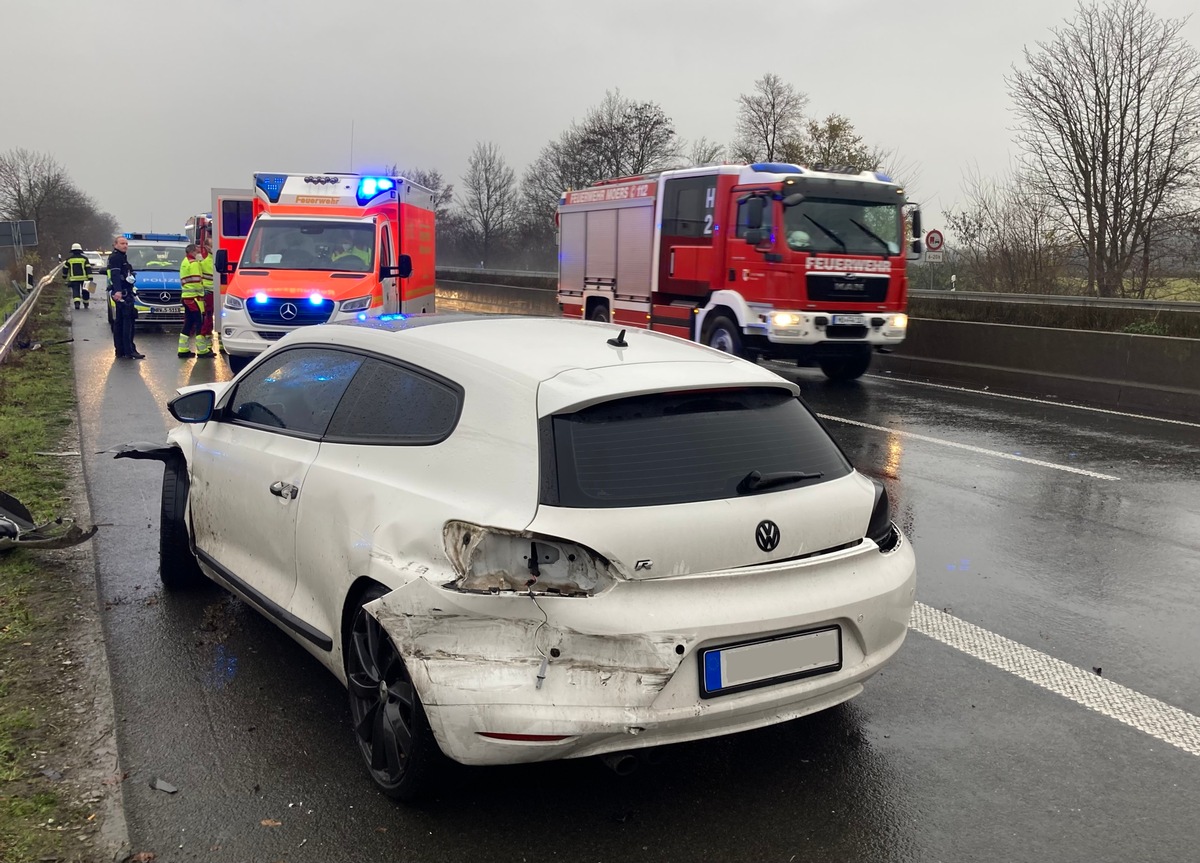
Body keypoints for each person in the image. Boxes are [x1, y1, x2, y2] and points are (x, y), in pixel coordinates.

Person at [106, 236, 144, 360]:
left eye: (126, 243)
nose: (125, 245)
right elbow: (115, 275)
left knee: (120, 322)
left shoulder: (122, 257)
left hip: (125, 292)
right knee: (127, 322)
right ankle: (129, 350)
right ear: (115, 245)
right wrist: (118, 291)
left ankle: (121, 350)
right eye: (122, 243)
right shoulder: (116, 258)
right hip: (122, 294)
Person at [177, 243, 207, 358]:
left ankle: (183, 349)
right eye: (198, 251)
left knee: (188, 323)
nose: (199, 253)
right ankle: (202, 350)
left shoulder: (185, 262)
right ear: (193, 252)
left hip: (186, 297)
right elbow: (197, 282)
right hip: (194, 298)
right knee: (199, 323)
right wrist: (202, 294)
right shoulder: (194, 264)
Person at [197, 239, 216, 356]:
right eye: (212, 245)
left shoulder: (216, 260)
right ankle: (203, 347)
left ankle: (209, 346)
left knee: (215, 321)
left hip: (217, 294)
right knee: (207, 320)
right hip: (209, 294)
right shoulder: (203, 263)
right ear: (207, 248)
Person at [61, 243, 93, 310]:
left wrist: (64, 276)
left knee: (76, 291)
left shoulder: (69, 259)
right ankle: (86, 303)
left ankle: (77, 304)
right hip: (85, 278)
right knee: (86, 291)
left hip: (74, 279)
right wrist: (90, 278)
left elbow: (65, 268)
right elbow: (88, 268)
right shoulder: (85, 259)